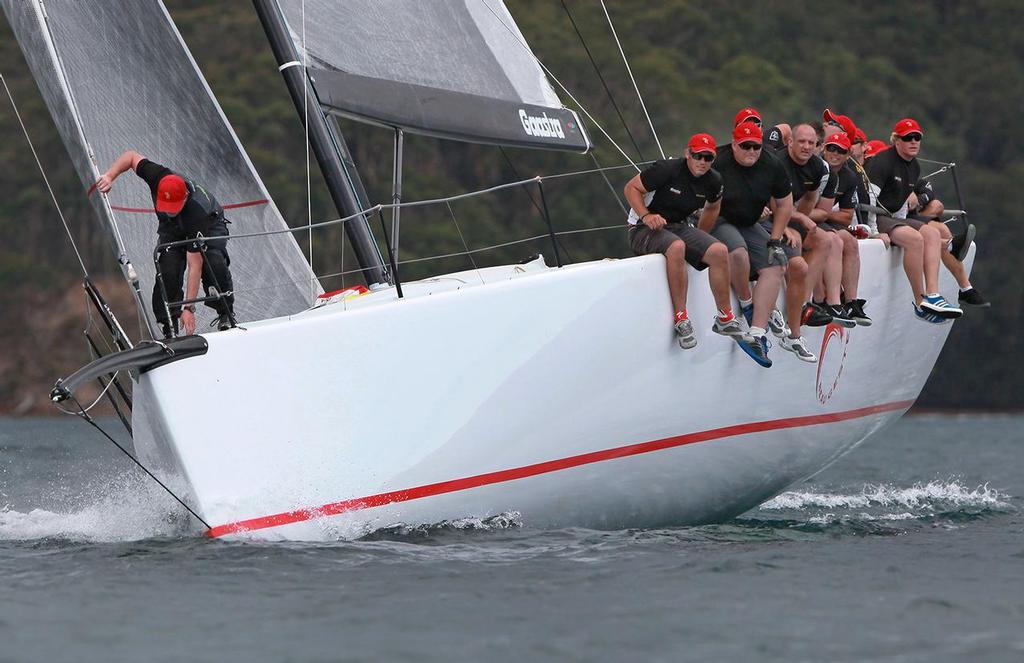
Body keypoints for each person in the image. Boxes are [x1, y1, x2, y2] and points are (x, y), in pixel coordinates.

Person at [96, 151, 235, 337]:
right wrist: (110, 176)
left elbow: (195, 265)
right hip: (173, 227)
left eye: (172, 207)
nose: (169, 211)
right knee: (168, 268)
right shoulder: (157, 175)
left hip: (210, 224)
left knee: (213, 261)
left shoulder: (196, 212)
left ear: (184, 197)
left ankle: (225, 311)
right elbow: (130, 156)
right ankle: (169, 323)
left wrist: (189, 308)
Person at [624, 133, 744, 349]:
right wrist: (646, 216)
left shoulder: (713, 180)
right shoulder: (667, 170)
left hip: (678, 226)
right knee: (677, 247)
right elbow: (630, 188)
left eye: (708, 158)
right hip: (642, 228)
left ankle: (725, 318)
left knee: (718, 250)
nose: (702, 162)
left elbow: (713, 206)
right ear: (688, 154)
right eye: (698, 156)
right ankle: (681, 318)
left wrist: (701, 236)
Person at [708, 122, 795, 367]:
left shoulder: (772, 164)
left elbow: (785, 204)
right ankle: (747, 304)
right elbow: (703, 201)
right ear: (734, 144)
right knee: (738, 253)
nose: (751, 152)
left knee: (776, 265)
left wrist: (776, 239)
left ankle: (757, 333)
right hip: (720, 219)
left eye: (756, 147)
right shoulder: (719, 161)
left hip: (749, 221)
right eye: (745, 146)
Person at [865, 119, 965, 320]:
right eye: (907, 138)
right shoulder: (882, 162)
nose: (913, 141)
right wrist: (873, 231)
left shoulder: (914, 166)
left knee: (931, 233)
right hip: (878, 216)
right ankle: (921, 302)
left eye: (917, 137)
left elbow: (902, 199)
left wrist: (904, 220)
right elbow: (869, 199)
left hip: (895, 216)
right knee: (915, 239)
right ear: (896, 141)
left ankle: (934, 295)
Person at [772, 123, 854, 342]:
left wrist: (801, 221)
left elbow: (811, 198)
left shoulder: (818, 167)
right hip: (767, 215)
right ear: (790, 142)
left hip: (789, 216)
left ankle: (803, 304)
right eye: (801, 142)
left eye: (811, 143)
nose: (807, 147)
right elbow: (770, 200)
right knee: (796, 244)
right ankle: (794, 308)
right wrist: (792, 222)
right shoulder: (777, 162)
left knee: (824, 240)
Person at [816, 131, 871, 325]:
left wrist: (823, 212)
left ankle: (851, 301)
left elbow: (846, 216)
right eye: (831, 148)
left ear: (848, 155)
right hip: (808, 218)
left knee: (851, 242)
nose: (835, 154)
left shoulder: (848, 176)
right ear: (823, 148)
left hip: (823, 218)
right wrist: (823, 213)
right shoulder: (816, 167)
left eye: (841, 150)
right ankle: (832, 300)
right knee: (836, 241)